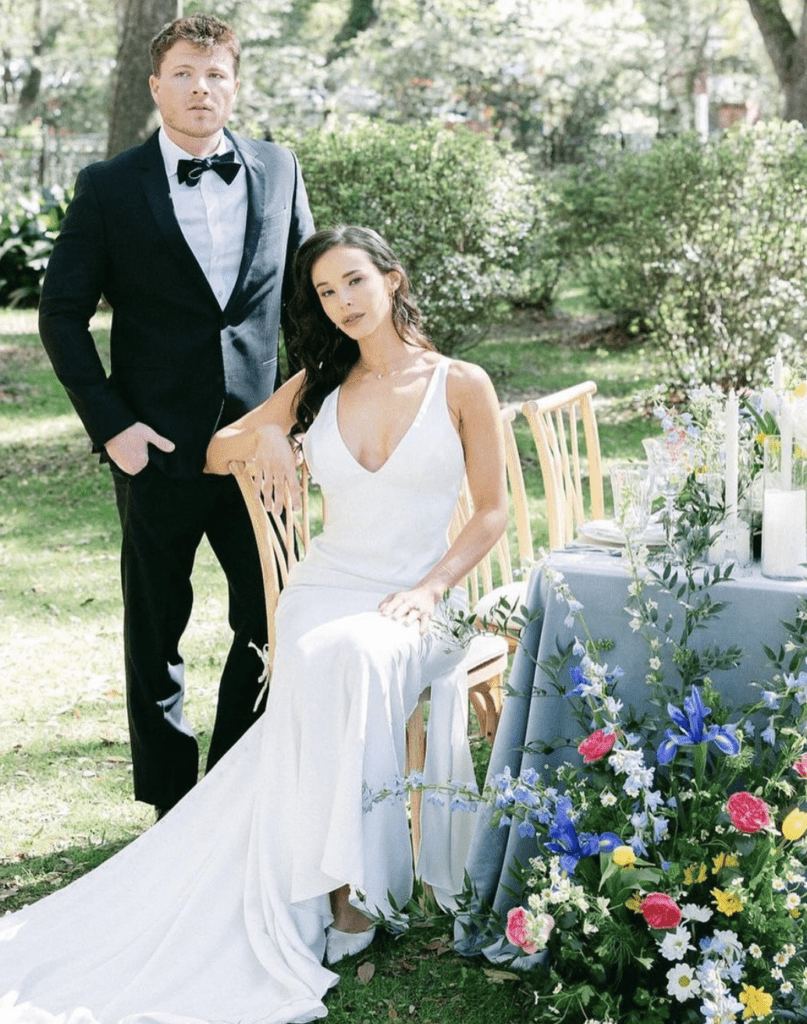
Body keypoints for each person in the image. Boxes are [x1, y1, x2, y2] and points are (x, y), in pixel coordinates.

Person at [0, 226, 507, 1023]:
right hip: (325, 588)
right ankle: (344, 893)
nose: (340, 303)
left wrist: (432, 587)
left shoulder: (460, 383)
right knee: (335, 651)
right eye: (325, 293)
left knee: (361, 658)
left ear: (392, 279)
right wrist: (269, 430)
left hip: (420, 595)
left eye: (352, 283)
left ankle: (356, 890)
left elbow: (492, 513)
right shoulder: (318, 383)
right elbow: (214, 451)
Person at [37, 14, 315, 818]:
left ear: (236, 83)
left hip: (256, 446)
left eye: (217, 73)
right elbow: (61, 316)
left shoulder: (280, 167)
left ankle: (229, 787)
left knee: (272, 612)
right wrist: (114, 427)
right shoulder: (109, 185)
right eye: (186, 73)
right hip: (152, 448)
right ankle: (168, 802)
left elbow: (308, 309)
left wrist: (292, 422)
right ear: (157, 85)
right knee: (155, 628)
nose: (202, 87)